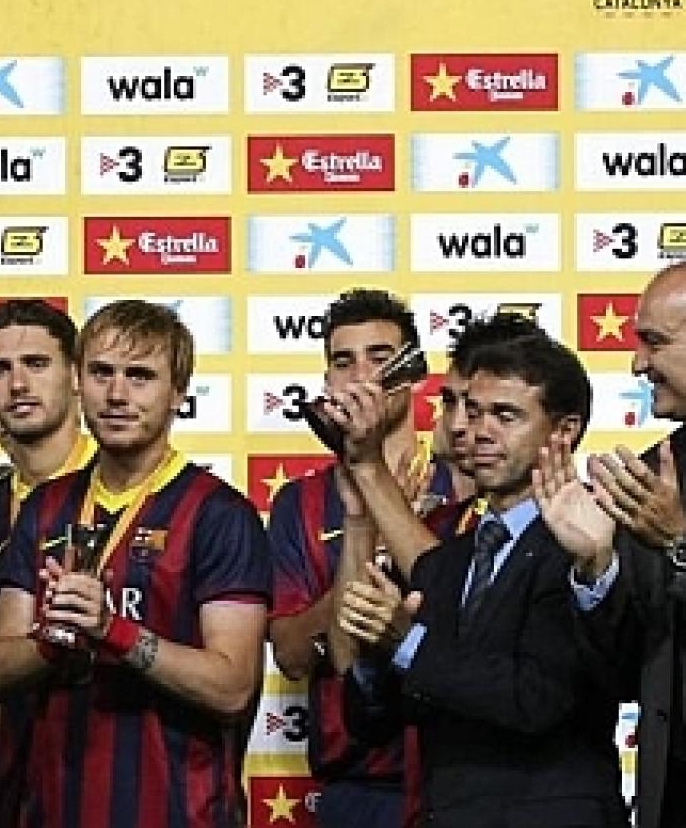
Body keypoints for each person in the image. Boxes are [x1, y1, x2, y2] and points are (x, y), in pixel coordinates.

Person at [0, 301, 270, 828]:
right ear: (78, 382)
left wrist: (111, 631)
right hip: (56, 809)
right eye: (102, 373)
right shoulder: (46, 508)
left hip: (180, 811)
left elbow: (232, 688)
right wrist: (54, 638)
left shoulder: (219, 515)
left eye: (140, 376)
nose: (117, 395)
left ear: (178, 394)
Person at [341, 327, 625, 827]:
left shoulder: (589, 543)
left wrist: (408, 642)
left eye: (506, 415)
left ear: (564, 430)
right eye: (473, 411)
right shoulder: (449, 559)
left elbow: (535, 701)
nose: (478, 431)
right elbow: (373, 723)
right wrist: (376, 655)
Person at [265, 290, 459, 827]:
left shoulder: (467, 480)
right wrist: (367, 552)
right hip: (354, 784)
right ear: (327, 380)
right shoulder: (299, 503)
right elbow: (293, 654)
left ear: (413, 370)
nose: (362, 376)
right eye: (343, 362)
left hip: (459, 773)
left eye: (380, 357)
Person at [538, 261, 686, 828]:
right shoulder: (648, 479)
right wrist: (596, 565)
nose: (637, 364)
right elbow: (625, 671)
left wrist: (679, 544)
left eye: (654, 342)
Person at [0, 299, 94, 828]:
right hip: (10, 800)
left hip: (117, 788)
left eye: (36, 364)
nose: (18, 384)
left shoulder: (129, 492)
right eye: (0, 369)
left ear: (76, 377)